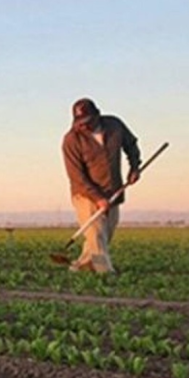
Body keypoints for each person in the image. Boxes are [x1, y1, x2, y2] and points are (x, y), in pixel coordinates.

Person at [61, 98, 141, 274]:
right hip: (85, 194)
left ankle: (81, 266)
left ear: (97, 115)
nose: (84, 126)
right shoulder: (71, 140)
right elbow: (76, 176)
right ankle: (106, 273)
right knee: (96, 233)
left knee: (104, 235)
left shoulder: (114, 125)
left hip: (113, 190)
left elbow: (131, 145)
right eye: (80, 123)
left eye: (87, 122)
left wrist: (135, 167)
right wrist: (98, 198)